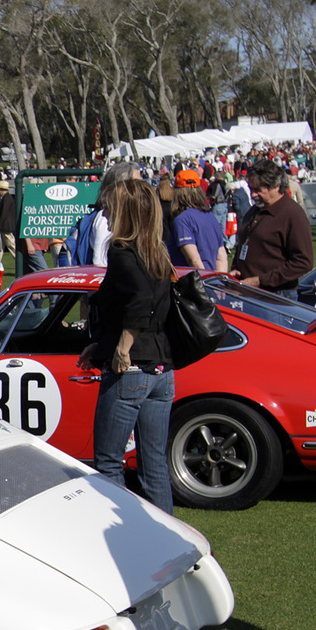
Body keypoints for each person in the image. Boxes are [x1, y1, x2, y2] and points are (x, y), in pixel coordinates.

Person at [77, 177, 176, 515]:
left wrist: (121, 347)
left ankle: (128, 536)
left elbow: (139, 301)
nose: (105, 213)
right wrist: (102, 346)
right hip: (161, 367)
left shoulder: (122, 250)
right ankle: (166, 536)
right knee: (154, 464)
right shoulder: (157, 251)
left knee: (108, 461)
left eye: (111, 208)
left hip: (132, 368)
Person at [230, 158, 314, 299]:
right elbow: (244, 244)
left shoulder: (292, 214)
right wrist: (236, 269)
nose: (253, 195)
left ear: (276, 186)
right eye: (251, 189)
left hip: (276, 297)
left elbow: (303, 262)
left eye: (258, 190)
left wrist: (259, 280)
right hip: (248, 293)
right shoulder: (255, 210)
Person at [171, 173, 227, 272]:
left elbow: (194, 260)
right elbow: (221, 257)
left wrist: (202, 284)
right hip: (211, 279)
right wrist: (217, 282)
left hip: (190, 282)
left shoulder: (182, 220)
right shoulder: (210, 216)